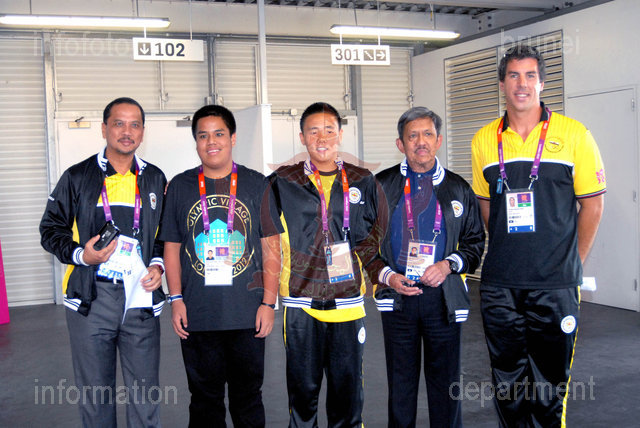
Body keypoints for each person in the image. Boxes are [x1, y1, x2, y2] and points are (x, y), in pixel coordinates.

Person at [471, 44, 606, 427]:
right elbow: (487, 207)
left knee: (549, 387)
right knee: (507, 384)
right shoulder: (484, 140)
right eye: (513, 75)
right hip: (500, 285)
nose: (522, 84)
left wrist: (571, 265)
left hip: (555, 286)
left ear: (542, 83)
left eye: (530, 75)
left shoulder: (574, 134)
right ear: (502, 84)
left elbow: (593, 206)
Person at [39, 97, 167, 426]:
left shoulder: (154, 178)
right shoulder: (77, 176)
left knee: (145, 393)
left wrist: (157, 265)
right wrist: (82, 255)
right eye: (118, 123)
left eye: (134, 124)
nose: (127, 131)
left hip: (140, 295)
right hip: (91, 297)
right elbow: (50, 230)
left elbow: (164, 233)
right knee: (96, 395)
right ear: (104, 128)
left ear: (142, 131)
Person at [159, 105, 282, 427]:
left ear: (233, 138)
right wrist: (175, 299)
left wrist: (269, 303)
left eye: (219, 134)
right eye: (203, 136)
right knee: (204, 400)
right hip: (198, 313)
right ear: (196, 142)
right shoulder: (181, 186)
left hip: (247, 312)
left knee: (248, 398)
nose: (211, 142)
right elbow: (171, 246)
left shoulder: (257, 184)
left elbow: (272, 246)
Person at [365, 107, 485, 428]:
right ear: (400, 143)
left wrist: (447, 265)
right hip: (397, 297)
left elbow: (475, 242)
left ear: (439, 140)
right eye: (413, 136)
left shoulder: (458, 188)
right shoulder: (380, 185)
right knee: (400, 388)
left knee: (446, 389)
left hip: (443, 299)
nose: (421, 142)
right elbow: (364, 241)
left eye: (428, 134)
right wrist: (388, 276)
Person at [267, 102, 381, 427]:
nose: (322, 138)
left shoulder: (362, 180)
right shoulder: (282, 181)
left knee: (348, 400)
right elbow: (257, 224)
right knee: (302, 399)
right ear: (302, 137)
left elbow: (376, 234)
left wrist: (382, 279)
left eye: (329, 130)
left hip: (349, 303)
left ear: (340, 134)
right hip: (300, 304)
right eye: (313, 131)